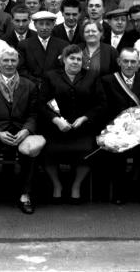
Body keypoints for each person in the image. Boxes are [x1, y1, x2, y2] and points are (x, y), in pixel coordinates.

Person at [0, 47, 41, 215]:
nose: (9, 64)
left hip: (20, 131)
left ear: (18, 63)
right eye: (5, 60)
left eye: (13, 61)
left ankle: (25, 195)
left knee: (33, 149)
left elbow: (34, 114)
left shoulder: (29, 85)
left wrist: (26, 130)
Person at [97, 47, 140, 204]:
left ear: (138, 63)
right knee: (115, 149)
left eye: (133, 61)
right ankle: (119, 192)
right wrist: (120, 128)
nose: (129, 65)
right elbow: (104, 109)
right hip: (118, 130)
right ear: (119, 62)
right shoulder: (107, 80)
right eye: (125, 61)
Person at [40, 44, 101, 203]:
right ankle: (57, 185)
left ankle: (76, 185)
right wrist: (56, 120)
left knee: (87, 150)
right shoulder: (50, 76)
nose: (75, 62)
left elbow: (101, 104)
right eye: (72, 58)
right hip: (56, 128)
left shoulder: (92, 76)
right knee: (48, 150)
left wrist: (84, 118)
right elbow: (41, 103)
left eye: (79, 59)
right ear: (64, 60)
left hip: (82, 128)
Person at [18, 11, 68, 88]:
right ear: (35, 25)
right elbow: (21, 69)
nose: (44, 28)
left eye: (48, 24)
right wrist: (35, 83)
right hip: (32, 87)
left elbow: (64, 69)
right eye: (41, 24)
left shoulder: (63, 45)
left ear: (53, 25)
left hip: (55, 87)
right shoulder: (24, 45)